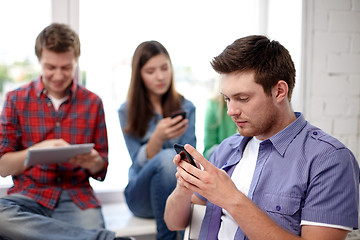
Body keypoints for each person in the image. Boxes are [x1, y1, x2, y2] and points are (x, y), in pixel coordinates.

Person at [164, 35, 359, 240]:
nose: (231, 110)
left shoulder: (329, 160)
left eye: (242, 98)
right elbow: (173, 222)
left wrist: (231, 198)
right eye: (227, 98)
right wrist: (184, 188)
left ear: (279, 91)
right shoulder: (226, 149)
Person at [0, 23, 131, 240]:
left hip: (77, 198)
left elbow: (102, 169)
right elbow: (3, 167)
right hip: (30, 196)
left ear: (76, 61)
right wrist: (38, 149)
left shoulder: (92, 102)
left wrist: (94, 161)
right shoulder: (16, 99)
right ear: (39, 61)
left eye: (67, 67)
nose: (59, 75)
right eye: (51, 67)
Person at [118, 40, 196, 240]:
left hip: (176, 193)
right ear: (139, 75)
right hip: (140, 197)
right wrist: (157, 137)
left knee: (171, 159)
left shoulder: (186, 107)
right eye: (150, 71)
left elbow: (191, 158)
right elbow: (137, 162)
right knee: (165, 157)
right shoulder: (127, 111)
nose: (160, 77)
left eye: (164, 68)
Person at [203, 79, 237, 159]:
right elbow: (208, 150)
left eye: (243, 98)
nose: (230, 112)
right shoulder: (213, 105)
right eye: (227, 99)